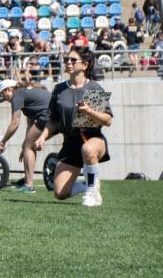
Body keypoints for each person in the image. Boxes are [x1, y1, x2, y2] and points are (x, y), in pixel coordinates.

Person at [33, 47, 113, 207]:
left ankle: (91, 193)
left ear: (84, 65)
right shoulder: (60, 89)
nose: (68, 63)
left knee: (88, 150)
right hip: (70, 142)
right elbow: (53, 120)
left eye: (72, 60)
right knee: (60, 193)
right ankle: (89, 184)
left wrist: (89, 111)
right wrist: (42, 137)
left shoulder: (93, 88)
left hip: (92, 138)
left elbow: (108, 120)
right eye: (66, 60)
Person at [0, 79, 51, 193]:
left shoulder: (17, 95)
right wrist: (25, 145)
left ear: (10, 89)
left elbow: (14, 123)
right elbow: (30, 124)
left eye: (3, 94)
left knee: (29, 147)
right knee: (29, 146)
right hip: (56, 117)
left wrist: (2, 142)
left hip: (48, 116)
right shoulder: (26, 94)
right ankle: (27, 180)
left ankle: (28, 185)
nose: (4, 98)